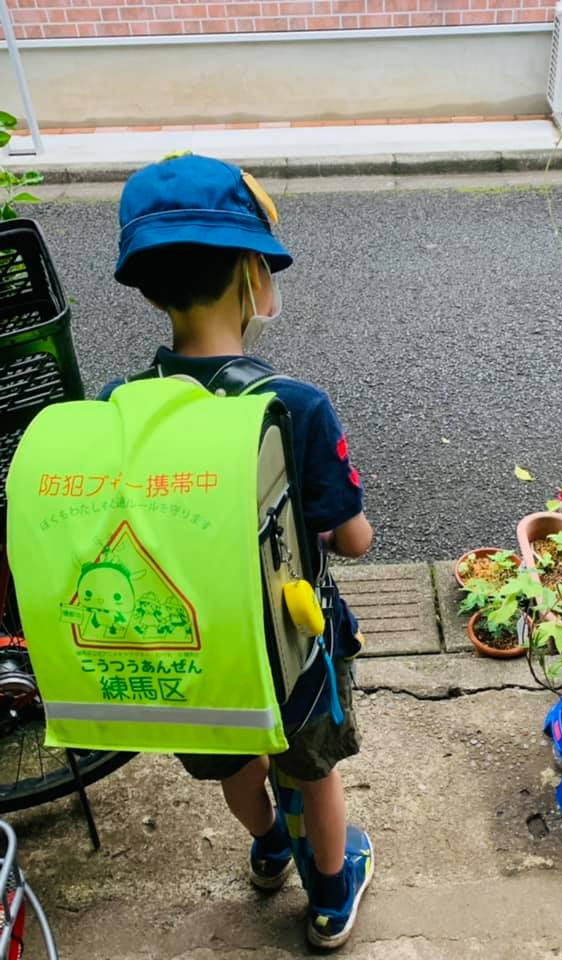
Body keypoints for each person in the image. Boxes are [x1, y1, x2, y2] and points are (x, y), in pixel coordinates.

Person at [104, 154, 374, 950]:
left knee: (232, 763)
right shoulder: (293, 404)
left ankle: (266, 847)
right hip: (292, 644)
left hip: (188, 646)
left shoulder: (122, 408)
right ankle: (329, 894)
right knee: (311, 766)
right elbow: (353, 538)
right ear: (254, 274)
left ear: (149, 288)